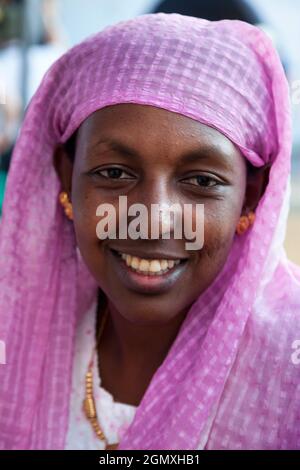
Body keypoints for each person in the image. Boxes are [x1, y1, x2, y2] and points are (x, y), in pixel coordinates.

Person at [0, 13, 299, 450]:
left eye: (201, 181)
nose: (154, 218)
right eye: (115, 172)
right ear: (66, 178)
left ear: (251, 196)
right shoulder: (15, 329)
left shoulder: (288, 367)